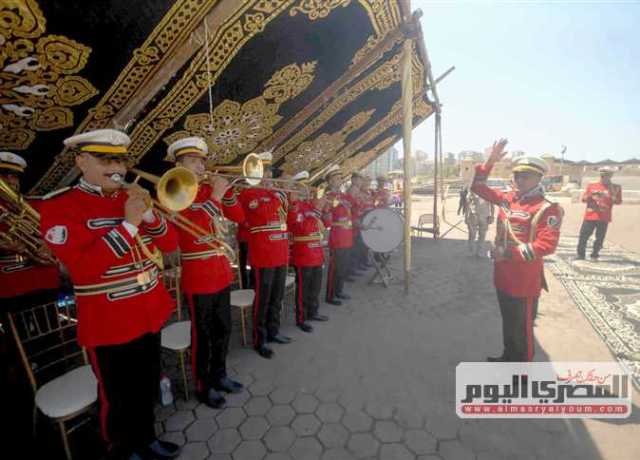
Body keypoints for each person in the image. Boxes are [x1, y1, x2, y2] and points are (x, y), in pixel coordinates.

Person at [39, 129, 181, 460]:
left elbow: (170, 245)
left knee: (145, 384)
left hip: (148, 311)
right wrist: (129, 226)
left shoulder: (127, 197)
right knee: (118, 396)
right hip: (109, 321)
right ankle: (122, 449)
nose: (116, 166)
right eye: (105, 159)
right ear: (81, 161)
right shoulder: (60, 206)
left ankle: (146, 440)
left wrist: (147, 214)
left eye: (120, 159)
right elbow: (84, 270)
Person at [166, 137, 246, 409]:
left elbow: (239, 217)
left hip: (221, 271)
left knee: (223, 329)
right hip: (198, 274)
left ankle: (220, 374)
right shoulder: (174, 192)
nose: (200, 165)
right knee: (203, 335)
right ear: (179, 165)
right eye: (193, 160)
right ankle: (202, 385)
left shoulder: (206, 191)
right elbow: (190, 229)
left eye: (201, 160)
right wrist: (216, 196)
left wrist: (228, 193)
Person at [471, 139, 563, 362]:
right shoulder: (507, 200)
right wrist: (491, 160)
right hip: (502, 275)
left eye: (526, 176)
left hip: (524, 280)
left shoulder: (547, 207)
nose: (520, 180)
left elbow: (546, 245)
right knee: (509, 323)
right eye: (517, 175)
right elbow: (477, 187)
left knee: (523, 331)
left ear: (539, 178)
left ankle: (521, 373)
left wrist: (508, 254)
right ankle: (508, 358)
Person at [231, 165, 291, 359]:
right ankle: (260, 339)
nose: (268, 178)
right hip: (263, 255)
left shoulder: (276, 195)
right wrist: (277, 193)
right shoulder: (249, 194)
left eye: (270, 174)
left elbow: (285, 218)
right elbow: (265, 213)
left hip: (280, 252)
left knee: (277, 296)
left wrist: (280, 194)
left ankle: (273, 331)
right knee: (262, 300)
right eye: (263, 174)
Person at [287, 181, 330, 332]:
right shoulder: (296, 206)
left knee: (315, 287)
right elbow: (303, 229)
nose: (308, 193)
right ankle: (301, 318)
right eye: (303, 189)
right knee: (303, 290)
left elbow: (325, 225)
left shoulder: (311, 206)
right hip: (303, 254)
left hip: (316, 253)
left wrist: (325, 210)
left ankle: (313, 312)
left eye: (309, 190)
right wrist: (318, 209)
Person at [576, 167, 622, 260]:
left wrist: (611, 197)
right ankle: (581, 254)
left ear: (611, 176)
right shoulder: (592, 185)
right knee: (583, 236)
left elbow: (619, 201)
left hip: (604, 217)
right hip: (590, 215)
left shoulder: (616, 188)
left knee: (600, 238)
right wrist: (591, 195)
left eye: (608, 175)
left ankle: (595, 254)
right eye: (603, 175)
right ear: (601, 175)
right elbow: (584, 199)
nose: (605, 177)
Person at [323, 166, 353, 305]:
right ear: (329, 181)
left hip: (346, 236)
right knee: (334, 268)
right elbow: (327, 217)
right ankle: (330, 295)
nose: (339, 181)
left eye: (340, 178)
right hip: (337, 236)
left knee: (343, 266)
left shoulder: (343, 196)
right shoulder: (328, 196)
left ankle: (339, 290)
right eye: (335, 178)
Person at [465, 191, 494, 257]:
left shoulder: (488, 192)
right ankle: (471, 250)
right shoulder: (472, 192)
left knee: (482, 235)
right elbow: (467, 205)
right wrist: (466, 217)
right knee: (472, 234)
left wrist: (492, 216)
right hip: (474, 216)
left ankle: (479, 252)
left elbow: (492, 205)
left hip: (485, 217)